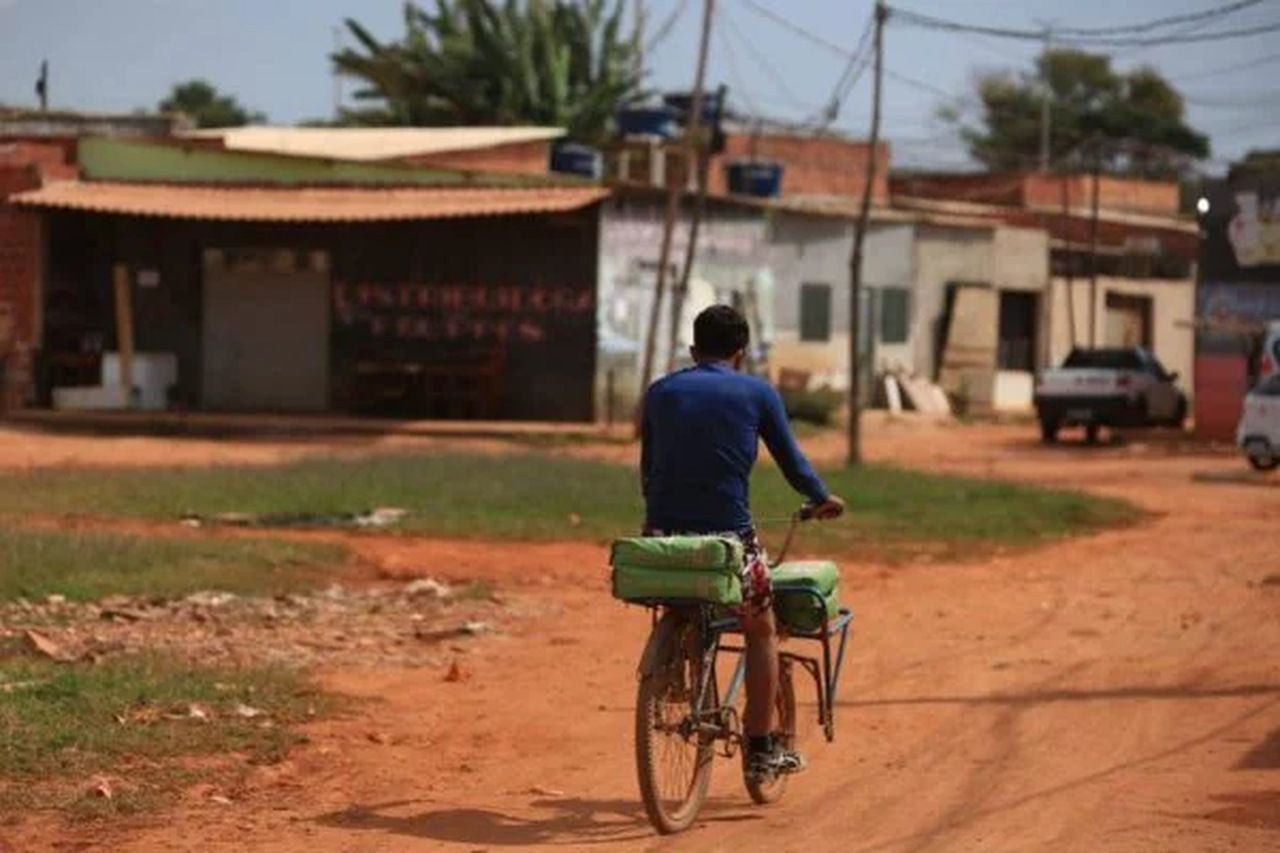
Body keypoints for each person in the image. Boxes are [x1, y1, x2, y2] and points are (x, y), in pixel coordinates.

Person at [640, 304, 844, 783]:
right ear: (741, 352)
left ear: (693, 350)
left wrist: (661, 517)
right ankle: (760, 749)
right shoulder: (757, 392)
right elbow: (793, 463)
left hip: (662, 533)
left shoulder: (660, 392)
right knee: (761, 628)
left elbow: (649, 468)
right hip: (729, 536)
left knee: (686, 597)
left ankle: (677, 663)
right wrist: (822, 498)